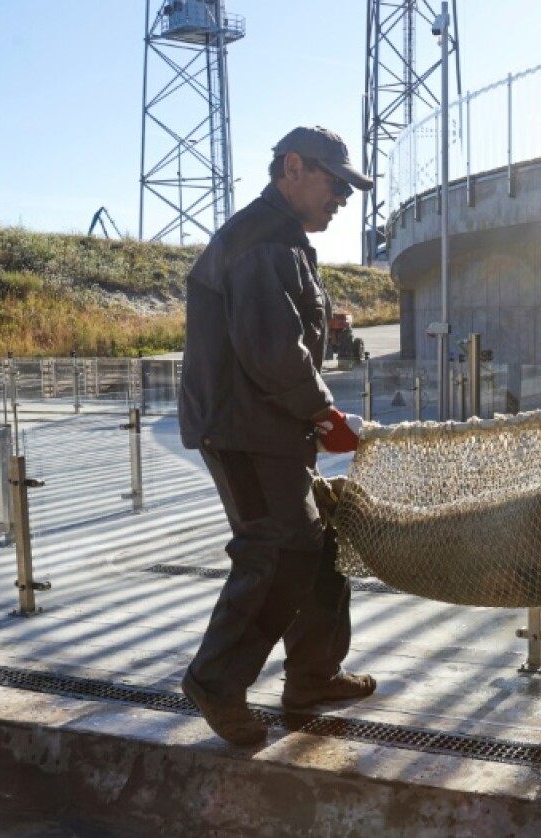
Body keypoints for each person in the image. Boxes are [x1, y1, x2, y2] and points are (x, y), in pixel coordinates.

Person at [177, 126, 376, 745]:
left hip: (266, 427)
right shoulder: (263, 240)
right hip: (244, 431)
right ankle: (216, 681)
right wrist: (323, 414)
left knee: (319, 544)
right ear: (293, 167)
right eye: (335, 182)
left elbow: (277, 338)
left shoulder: (280, 239)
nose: (343, 198)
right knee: (278, 550)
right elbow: (271, 351)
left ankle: (313, 674)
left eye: (349, 188)